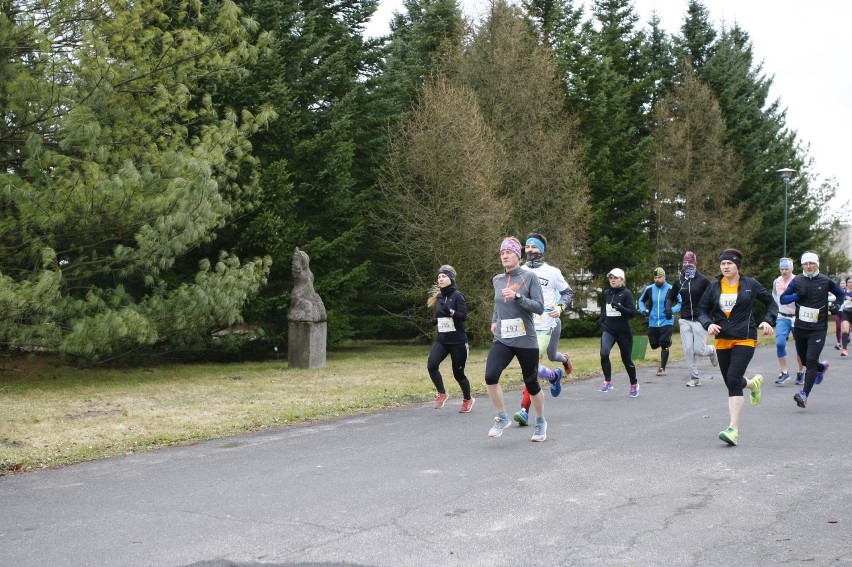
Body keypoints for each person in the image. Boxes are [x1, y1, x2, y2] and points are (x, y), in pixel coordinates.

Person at [698, 248, 776, 446]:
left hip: (745, 337)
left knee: (732, 379)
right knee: (731, 382)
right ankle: (753, 384)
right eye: (723, 264)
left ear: (737, 266)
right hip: (722, 339)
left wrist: (768, 321)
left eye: (729, 264)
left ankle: (733, 429)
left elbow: (771, 304)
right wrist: (708, 324)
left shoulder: (750, 284)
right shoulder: (715, 286)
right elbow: (702, 309)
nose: (725, 267)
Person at [485, 237, 548, 442]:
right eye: (502, 253)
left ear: (518, 256)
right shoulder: (497, 279)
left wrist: (518, 297)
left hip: (525, 339)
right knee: (490, 376)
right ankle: (502, 417)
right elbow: (498, 303)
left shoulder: (529, 277)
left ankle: (540, 422)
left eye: (509, 252)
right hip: (503, 338)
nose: (504, 256)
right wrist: (495, 320)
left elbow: (538, 307)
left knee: (531, 384)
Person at [513, 233, 574, 427]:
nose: (529, 250)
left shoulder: (552, 272)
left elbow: (567, 292)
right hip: (526, 326)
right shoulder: (518, 270)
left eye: (534, 247)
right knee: (552, 355)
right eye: (527, 246)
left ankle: (524, 409)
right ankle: (555, 374)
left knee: (531, 366)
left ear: (542, 250)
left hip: (548, 324)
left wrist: (560, 307)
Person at [780, 251, 844, 409]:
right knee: (804, 358)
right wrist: (796, 296)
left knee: (809, 359)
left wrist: (836, 307)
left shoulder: (825, 280)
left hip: (818, 328)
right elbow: (783, 298)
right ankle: (821, 367)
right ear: (802, 266)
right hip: (801, 327)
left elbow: (840, 295)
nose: (808, 266)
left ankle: (804, 394)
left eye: (811, 263)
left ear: (817, 265)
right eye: (805, 264)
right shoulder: (797, 281)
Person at [426, 265, 474, 413]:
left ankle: (468, 399)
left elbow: (463, 317)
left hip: (458, 341)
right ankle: (442, 393)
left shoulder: (458, 296)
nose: (440, 279)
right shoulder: (440, 296)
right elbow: (442, 315)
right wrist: (436, 320)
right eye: (439, 277)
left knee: (458, 374)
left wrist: (451, 312)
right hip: (442, 340)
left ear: (451, 279)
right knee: (432, 365)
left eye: (444, 276)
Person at [666, 251, 718, 387]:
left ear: (695, 263)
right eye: (685, 262)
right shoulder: (679, 281)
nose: (687, 265)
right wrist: (668, 309)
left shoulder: (703, 280)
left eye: (690, 262)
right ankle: (695, 378)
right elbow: (670, 296)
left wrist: (711, 316)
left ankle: (711, 350)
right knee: (688, 350)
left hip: (700, 320)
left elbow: (713, 298)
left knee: (699, 350)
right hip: (685, 320)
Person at [596, 268, 639, 397]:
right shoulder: (607, 293)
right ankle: (608, 381)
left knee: (626, 360)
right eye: (611, 278)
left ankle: (634, 384)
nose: (613, 280)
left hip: (623, 332)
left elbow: (632, 313)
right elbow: (607, 309)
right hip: (609, 330)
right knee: (604, 353)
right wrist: (601, 319)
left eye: (615, 278)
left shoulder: (627, 294)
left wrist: (620, 307)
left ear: (622, 279)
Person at [638, 267, 681, 377]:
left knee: (663, 344)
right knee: (653, 344)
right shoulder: (649, 289)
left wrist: (672, 310)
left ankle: (662, 368)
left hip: (666, 320)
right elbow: (641, 300)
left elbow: (681, 302)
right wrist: (642, 310)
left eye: (659, 277)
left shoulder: (671, 289)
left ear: (664, 277)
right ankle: (668, 342)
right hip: (653, 321)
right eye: (655, 277)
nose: (657, 280)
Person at [772, 258, 804, 385]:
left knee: (800, 347)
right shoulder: (776, 282)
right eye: (782, 269)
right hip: (782, 317)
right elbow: (775, 297)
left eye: (787, 269)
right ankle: (784, 372)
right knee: (780, 343)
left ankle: (801, 372)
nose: (784, 271)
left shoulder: (798, 280)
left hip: (798, 317)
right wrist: (779, 310)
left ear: (792, 269)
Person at [838, 277, 852, 357]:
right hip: (846, 312)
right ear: (846, 283)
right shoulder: (843, 292)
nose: (850, 284)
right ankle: (844, 350)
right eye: (849, 282)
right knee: (845, 331)